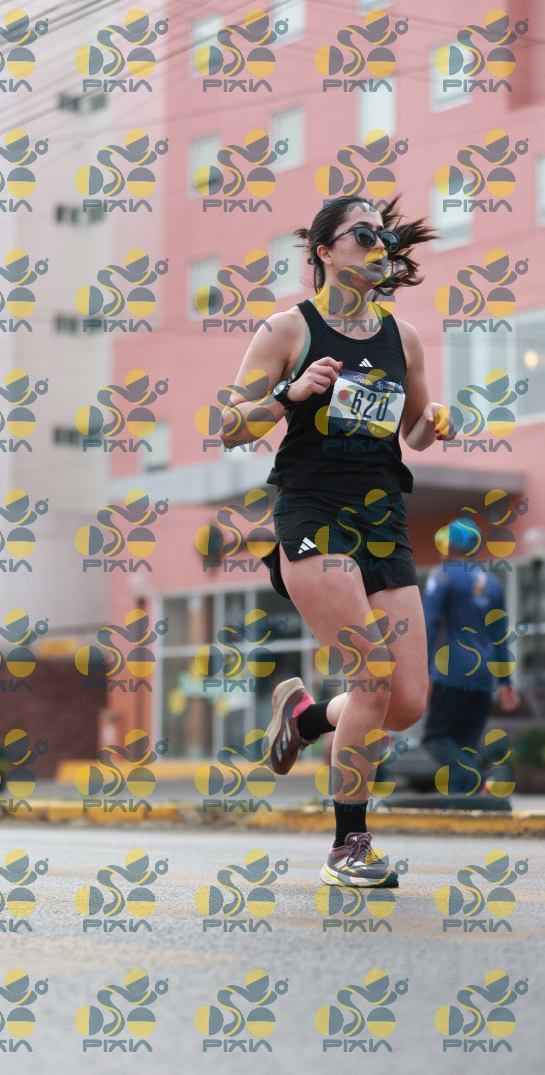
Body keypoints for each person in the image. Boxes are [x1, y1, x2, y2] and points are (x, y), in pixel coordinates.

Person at [219, 194, 455, 888]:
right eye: (363, 235)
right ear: (325, 251)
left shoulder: (403, 337)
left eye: (383, 235)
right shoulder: (287, 328)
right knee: (371, 680)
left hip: (383, 520)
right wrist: (290, 395)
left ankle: (305, 716)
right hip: (314, 514)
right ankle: (349, 843)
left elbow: (412, 432)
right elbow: (230, 426)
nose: (379, 245)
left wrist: (433, 423)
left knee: (405, 700)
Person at [422, 518, 521, 778]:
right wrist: (505, 682)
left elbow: (429, 623)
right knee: (465, 747)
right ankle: (472, 793)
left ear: (451, 545)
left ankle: (476, 781)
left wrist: (423, 669)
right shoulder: (493, 583)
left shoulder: (442, 575)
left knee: (436, 738)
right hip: (483, 678)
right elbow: (500, 636)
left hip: (450, 673)